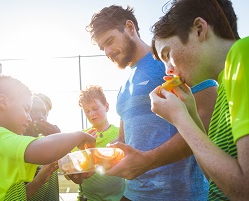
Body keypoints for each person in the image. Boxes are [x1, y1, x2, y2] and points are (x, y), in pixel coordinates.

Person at [86, 5, 215, 200]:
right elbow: (123, 139)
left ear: (130, 28)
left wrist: (149, 160)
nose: (107, 51)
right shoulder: (123, 86)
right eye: (103, 47)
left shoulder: (169, 61)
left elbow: (206, 118)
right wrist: (97, 158)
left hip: (179, 195)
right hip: (132, 194)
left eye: (110, 41)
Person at [149, 0, 248, 200]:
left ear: (199, 29)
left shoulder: (243, 53)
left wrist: (179, 119)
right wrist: (190, 114)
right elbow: (216, 180)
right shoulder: (224, 87)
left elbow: (244, 189)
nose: (167, 70)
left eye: (168, 54)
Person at [0, 75, 96, 201]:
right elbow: (45, 151)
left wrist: (39, 181)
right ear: (2, 102)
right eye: (27, 109)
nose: (31, 118)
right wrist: (79, 135)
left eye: (44, 112)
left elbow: (13, 195)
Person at [75, 85, 125, 201]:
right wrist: (82, 151)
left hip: (119, 198)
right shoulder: (80, 137)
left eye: (95, 108)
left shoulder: (121, 133)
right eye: (87, 111)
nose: (91, 114)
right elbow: (74, 172)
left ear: (106, 106)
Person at [24, 94, 60, 201]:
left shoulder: (48, 141)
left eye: (45, 113)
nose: (41, 117)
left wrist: (58, 138)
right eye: (34, 111)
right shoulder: (18, 143)